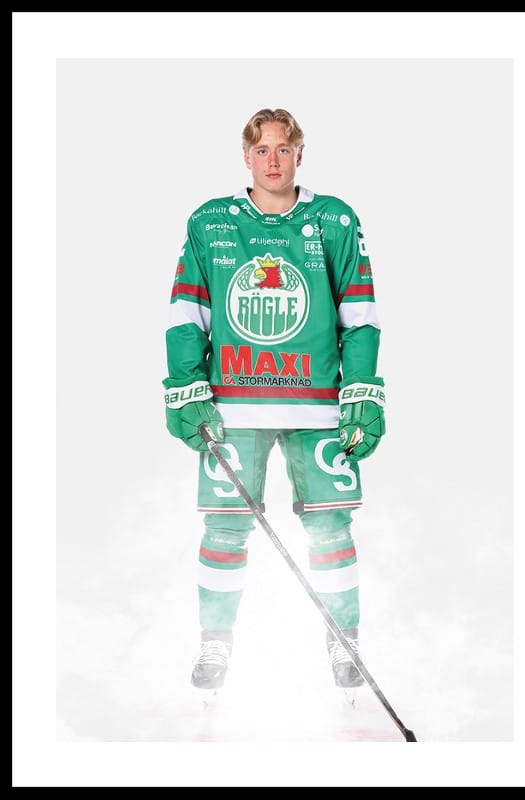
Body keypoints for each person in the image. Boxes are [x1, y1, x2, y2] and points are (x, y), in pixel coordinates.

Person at [162, 108, 385, 694]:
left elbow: (359, 316)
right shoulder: (210, 222)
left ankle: (344, 638)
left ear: (299, 154)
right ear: (246, 156)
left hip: (317, 405)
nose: (273, 160)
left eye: (283, 149)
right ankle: (215, 639)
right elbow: (188, 313)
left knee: (331, 528)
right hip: (234, 406)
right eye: (262, 150)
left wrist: (363, 392)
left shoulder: (334, 219)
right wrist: (186, 388)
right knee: (224, 530)